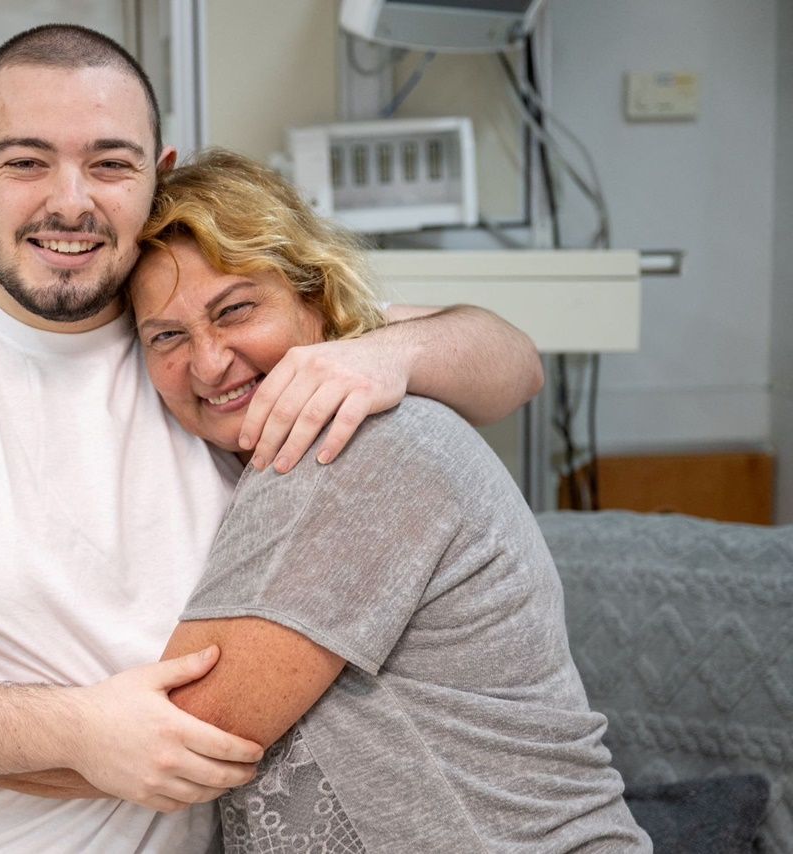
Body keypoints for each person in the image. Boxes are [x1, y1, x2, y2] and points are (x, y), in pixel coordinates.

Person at [0, 24, 544, 853]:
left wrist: (392, 352)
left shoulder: (210, 352)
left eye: (109, 163)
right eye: (24, 161)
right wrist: (73, 732)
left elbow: (512, 362)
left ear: (155, 179)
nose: (70, 201)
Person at [122, 149, 649, 851]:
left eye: (238, 309)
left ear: (313, 295)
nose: (210, 361)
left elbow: (189, 736)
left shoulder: (349, 439)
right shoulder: (251, 434)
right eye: (168, 337)